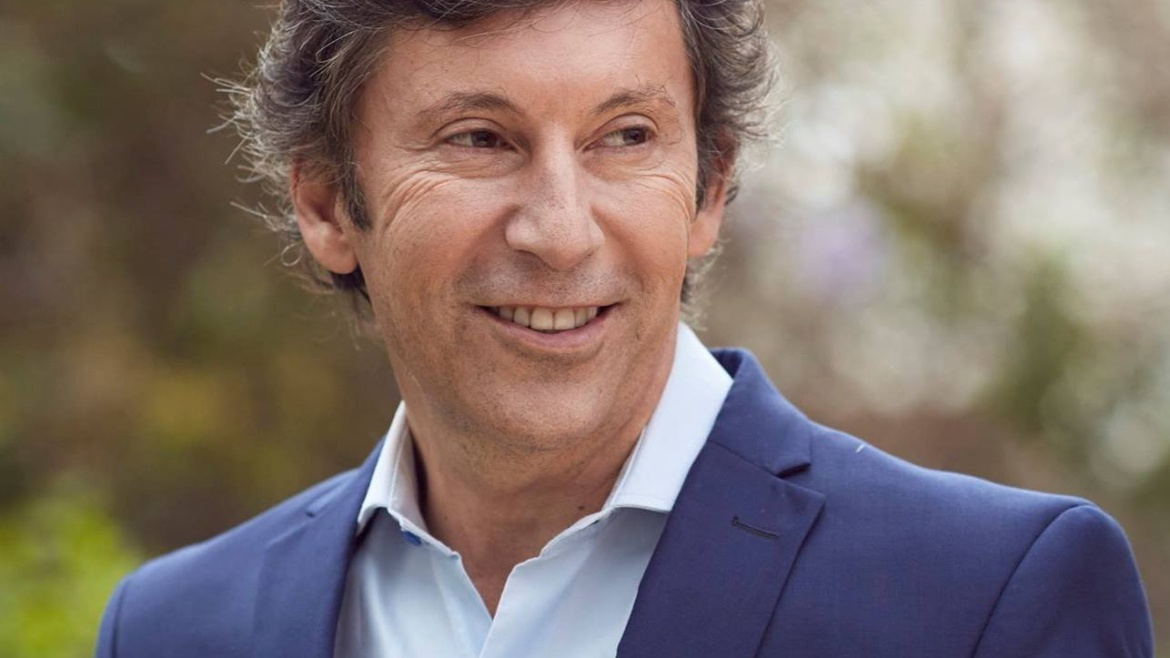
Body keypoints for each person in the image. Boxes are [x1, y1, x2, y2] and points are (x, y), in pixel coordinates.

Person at [95, 0, 1154, 655]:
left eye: (626, 136)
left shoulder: (989, 603)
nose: (561, 231)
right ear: (328, 202)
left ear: (709, 189)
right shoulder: (173, 631)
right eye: (479, 138)